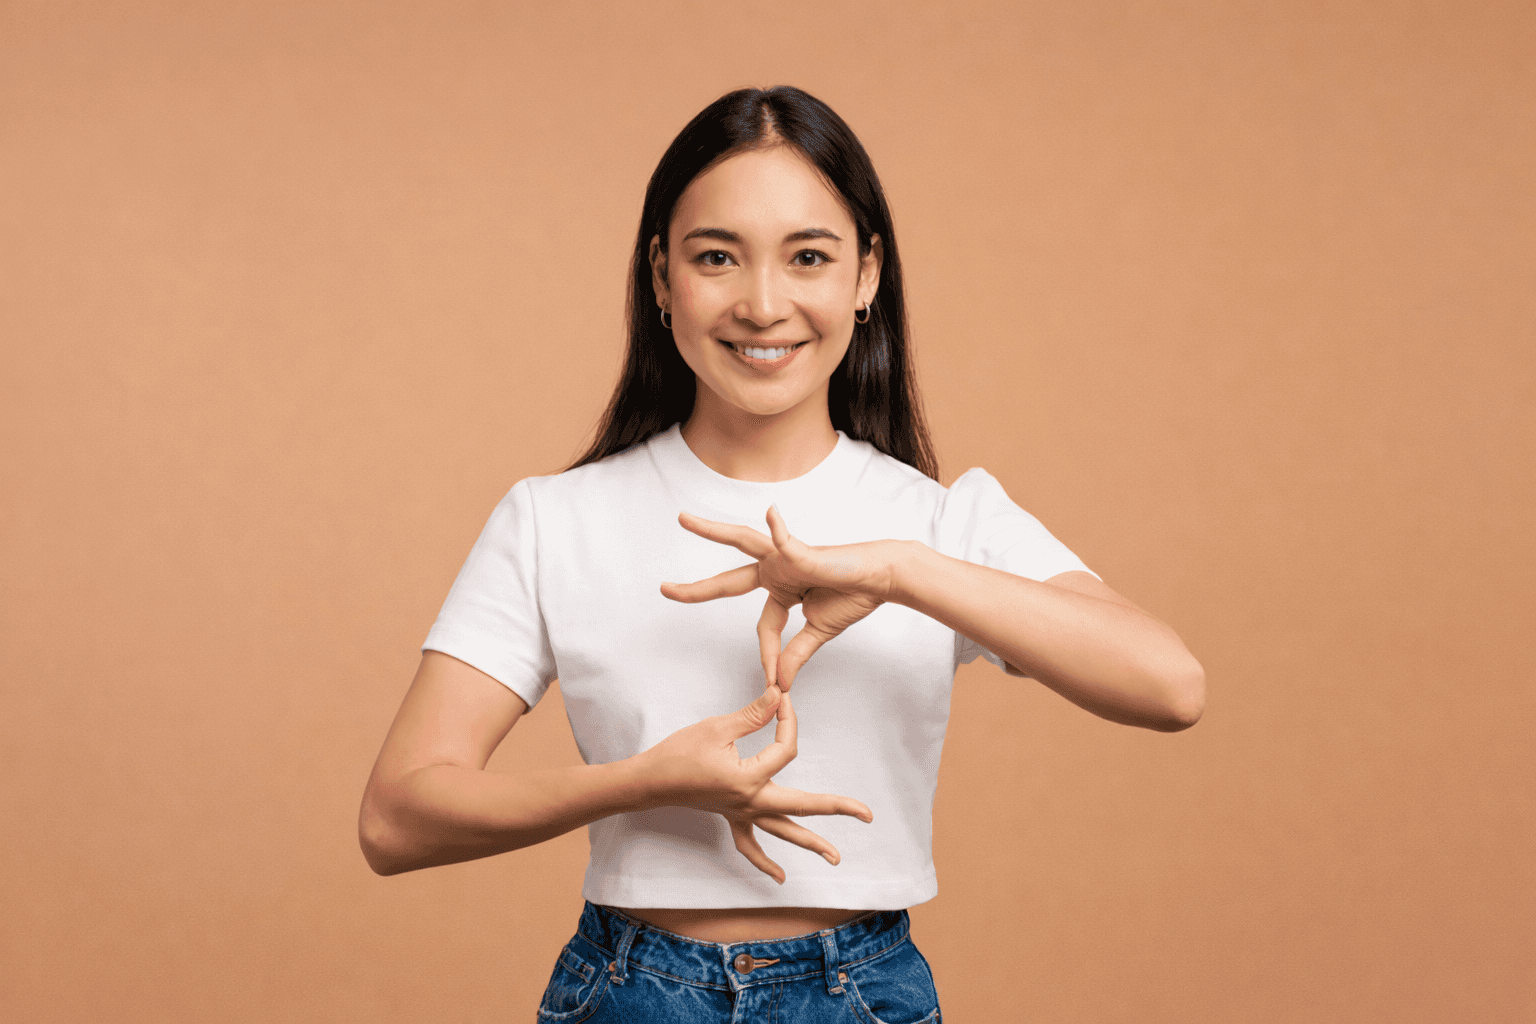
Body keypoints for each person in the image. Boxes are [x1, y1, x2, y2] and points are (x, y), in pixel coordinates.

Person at [359, 85, 1204, 1023]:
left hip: (863, 996)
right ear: (660, 275)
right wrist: (642, 784)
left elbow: (1171, 686)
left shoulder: (934, 522)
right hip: (632, 993)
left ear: (866, 276)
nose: (764, 306)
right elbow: (398, 819)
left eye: (809, 257)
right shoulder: (555, 519)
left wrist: (896, 570)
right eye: (717, 257)